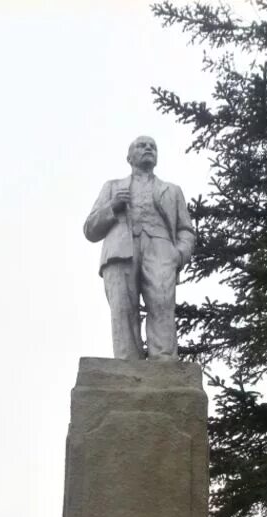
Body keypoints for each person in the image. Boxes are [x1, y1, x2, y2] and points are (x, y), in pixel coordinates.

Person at [84, 135, 195, 362]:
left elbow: (186, 230)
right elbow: (90, 229)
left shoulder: (172, 191)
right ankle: (128, 363)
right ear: (129, 157)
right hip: (120, 252)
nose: (148, 148)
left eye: (152, 146)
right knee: (122, 309)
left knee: (163, 304)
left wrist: (179, 254)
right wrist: (112, 206)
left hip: (161, 249)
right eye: (141, 145)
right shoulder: (112, 187)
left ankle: (164, 363)